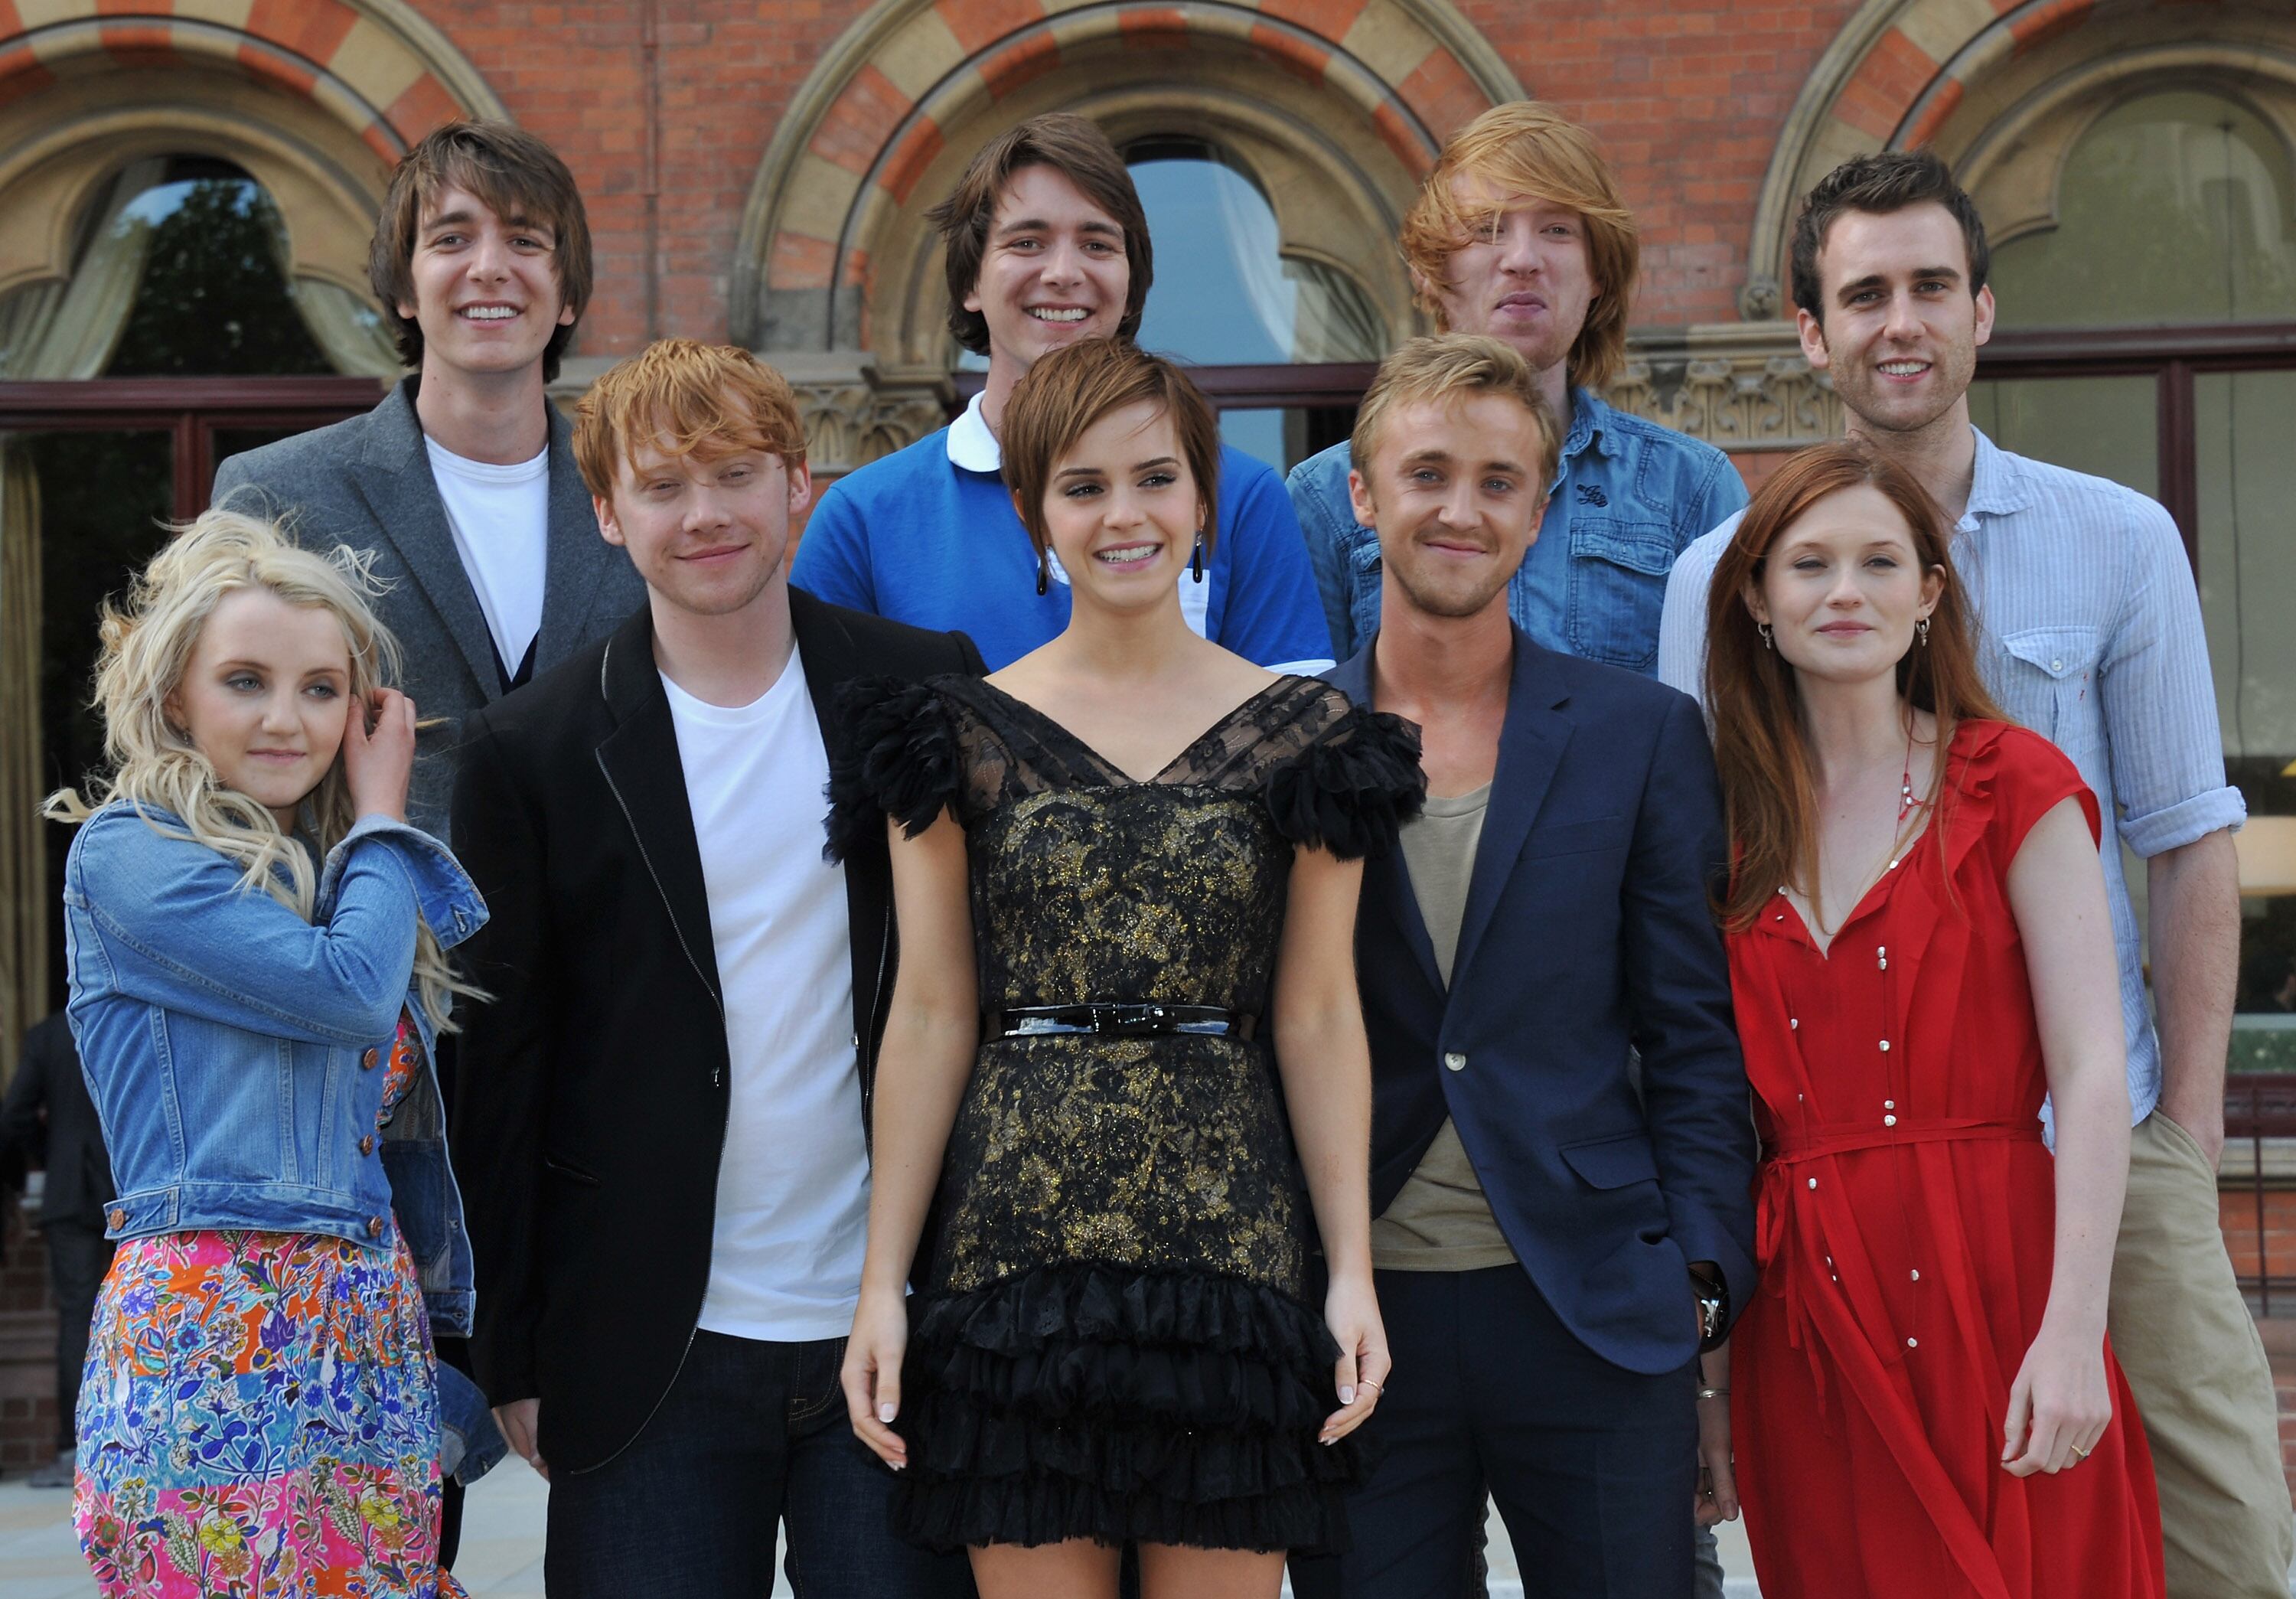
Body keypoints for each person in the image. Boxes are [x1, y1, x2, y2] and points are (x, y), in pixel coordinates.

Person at [1656, 152, 2291, 1598]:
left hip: (2104, 1151)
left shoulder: (2118, 538)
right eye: (1862, 292)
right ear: (1809, 332)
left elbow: (2190, 836)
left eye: (1931, 286)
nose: (1901, 320)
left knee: (2220, 1544)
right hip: (1836, 1209)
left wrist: (2184, 1134)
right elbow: (1709, 884)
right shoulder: (1709, 581)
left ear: (1984, 310)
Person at [830, 336, 1419, 1599]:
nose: (1125, 514)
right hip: (1013, 1271)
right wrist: (887, 1283)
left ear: (1204, 500)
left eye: (1155, 477)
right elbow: (930, 1011)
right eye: (1083, 485)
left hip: (1235, 1263)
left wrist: (1351, 1268)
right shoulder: (952, 732)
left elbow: (1318, 1012)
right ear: (1038, 515)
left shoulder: (1309, 735)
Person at [448, 341, 979, 1599]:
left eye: (737, 473)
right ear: (606, 513)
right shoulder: (531, 747)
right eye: (665, 485)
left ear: (801, 483)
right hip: (646, 1346)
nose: (705, 515)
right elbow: (501, 1059)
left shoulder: (925, 683)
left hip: (889, 1324)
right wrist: (509, 1347)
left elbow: (977, 995)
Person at [1283, 335, 1755, 1599]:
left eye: (1498, 481)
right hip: (1361, 1325)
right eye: (1427, 472)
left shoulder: (1639, 734)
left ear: (1539, 514)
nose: (1462, 508)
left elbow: (1694, 1030)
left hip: (1595, 1308)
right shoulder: (1286, 745)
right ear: (1363, 495)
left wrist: (1700, 1283)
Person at [1707, 439, 2166, 1595]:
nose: (1844, 591)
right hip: (1806, 1317)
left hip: (2003, 1288)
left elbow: (2095, 1073)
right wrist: (1708, 1387)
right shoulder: (1720, 829)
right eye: (1809, 564)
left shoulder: (2014, 783)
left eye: (1878, 561)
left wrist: (2074, 1333)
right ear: (1758, 598)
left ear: (1930, 593)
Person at [50, 509, 491, 1597]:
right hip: (210, 1329)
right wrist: (386, 814)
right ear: (173, 700)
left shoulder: (335, 876)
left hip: (366, 1327)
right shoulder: (130, 852)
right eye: (245, 680)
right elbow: (343, 995)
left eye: (322, 688)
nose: (287, 719)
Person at [213, 118, 644, 840]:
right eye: (451, 239)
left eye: (526, 240)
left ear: (567, 295)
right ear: (404, 289)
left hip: (609, 939)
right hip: (377, 935)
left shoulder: (638, 496)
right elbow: (222, 751)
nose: (489, 267)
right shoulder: (273, 492)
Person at [792, 112, 1332, 674]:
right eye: (1027, 242)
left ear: (1130, 281)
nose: (1063, 272)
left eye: (1097, 244)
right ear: (970, 282)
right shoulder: (865, 518)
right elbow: (824, 748)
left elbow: (1295, 740)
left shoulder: (1238, 495)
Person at [1287, 102, 1746, 673]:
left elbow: (1738, 717)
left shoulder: (1691, 489)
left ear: (1598, 273)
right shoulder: (1326, 496)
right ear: (1431, 269)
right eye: (1489, 229)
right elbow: (1306, 722)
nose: (1523, 259)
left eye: (1557, 230)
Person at [0, 1011, 114, 1489]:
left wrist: (50, 1156)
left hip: (68, 1189)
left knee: (77, 1318)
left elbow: (13, 1119)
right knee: (135, 1314)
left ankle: (73, 1448)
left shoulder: (47, 1036)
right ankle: (125, 1441)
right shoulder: (126, 1021)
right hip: (128, 1185)